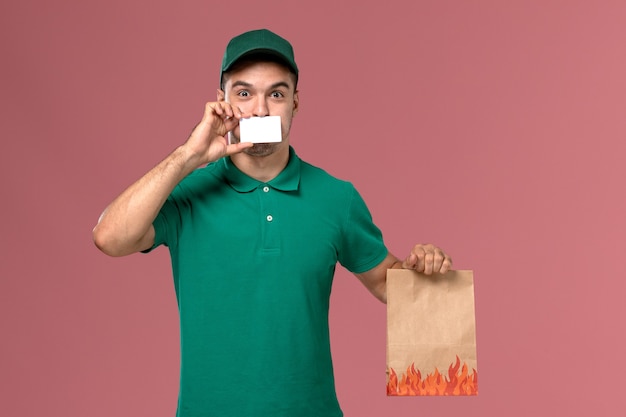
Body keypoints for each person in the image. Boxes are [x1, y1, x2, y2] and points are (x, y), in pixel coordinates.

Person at [93, 28, 452, 417]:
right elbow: (109, 238)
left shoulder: (336, 198)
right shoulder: (187, 193)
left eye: (276, 94)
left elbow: (387, 282)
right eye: (244, 94)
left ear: (296, 102)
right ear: (222, 102)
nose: (260, 110)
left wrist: (423, 268)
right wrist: (188, 156)